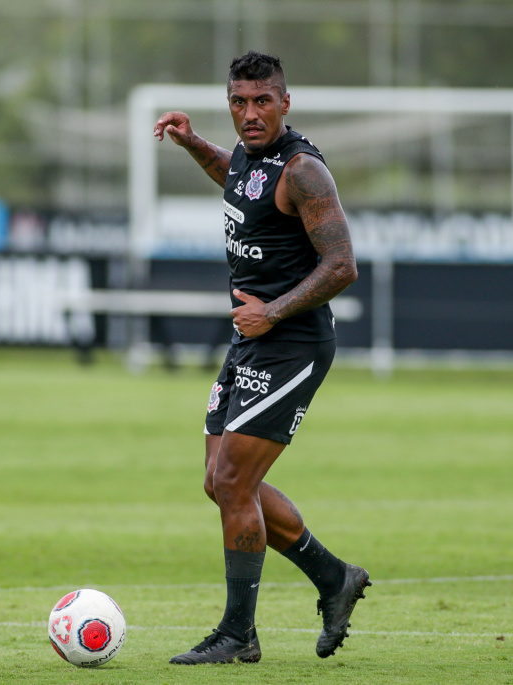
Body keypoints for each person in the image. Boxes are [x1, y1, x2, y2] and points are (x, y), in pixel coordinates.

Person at [153, 50, 370, 664]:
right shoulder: (252, 155)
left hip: (292, 343)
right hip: (253, 338)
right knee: (219, 483)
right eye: (238, 103)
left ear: (285, 101)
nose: (249, 114)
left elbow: (342, 265)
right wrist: (194, 142)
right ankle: (334, 579)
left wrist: (271, 312)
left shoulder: (305, 171)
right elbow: (237, 177)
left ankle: (238, 634)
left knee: (231, 481)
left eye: (261, 102)